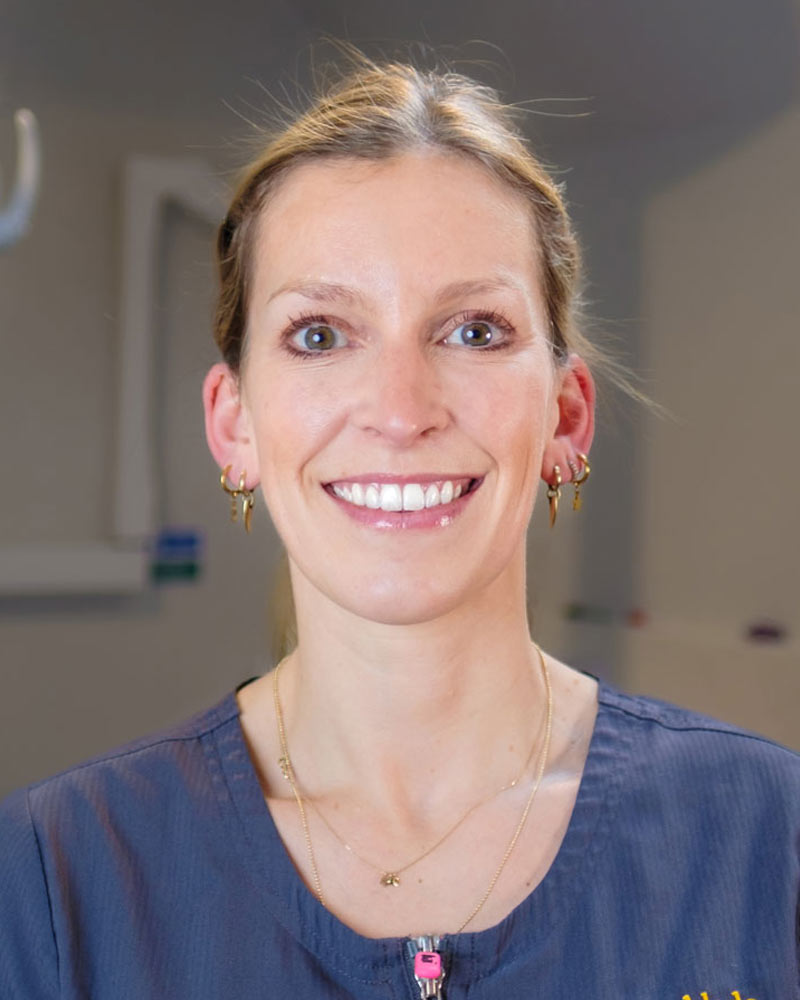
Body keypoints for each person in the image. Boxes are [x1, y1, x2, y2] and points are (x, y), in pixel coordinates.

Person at [1, 52, 798, 1000]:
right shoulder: (55, 877)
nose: (399, 409)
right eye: (321, 335)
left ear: (566, 416)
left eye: (473, 331)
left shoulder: (768, 842)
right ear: (235, 426)